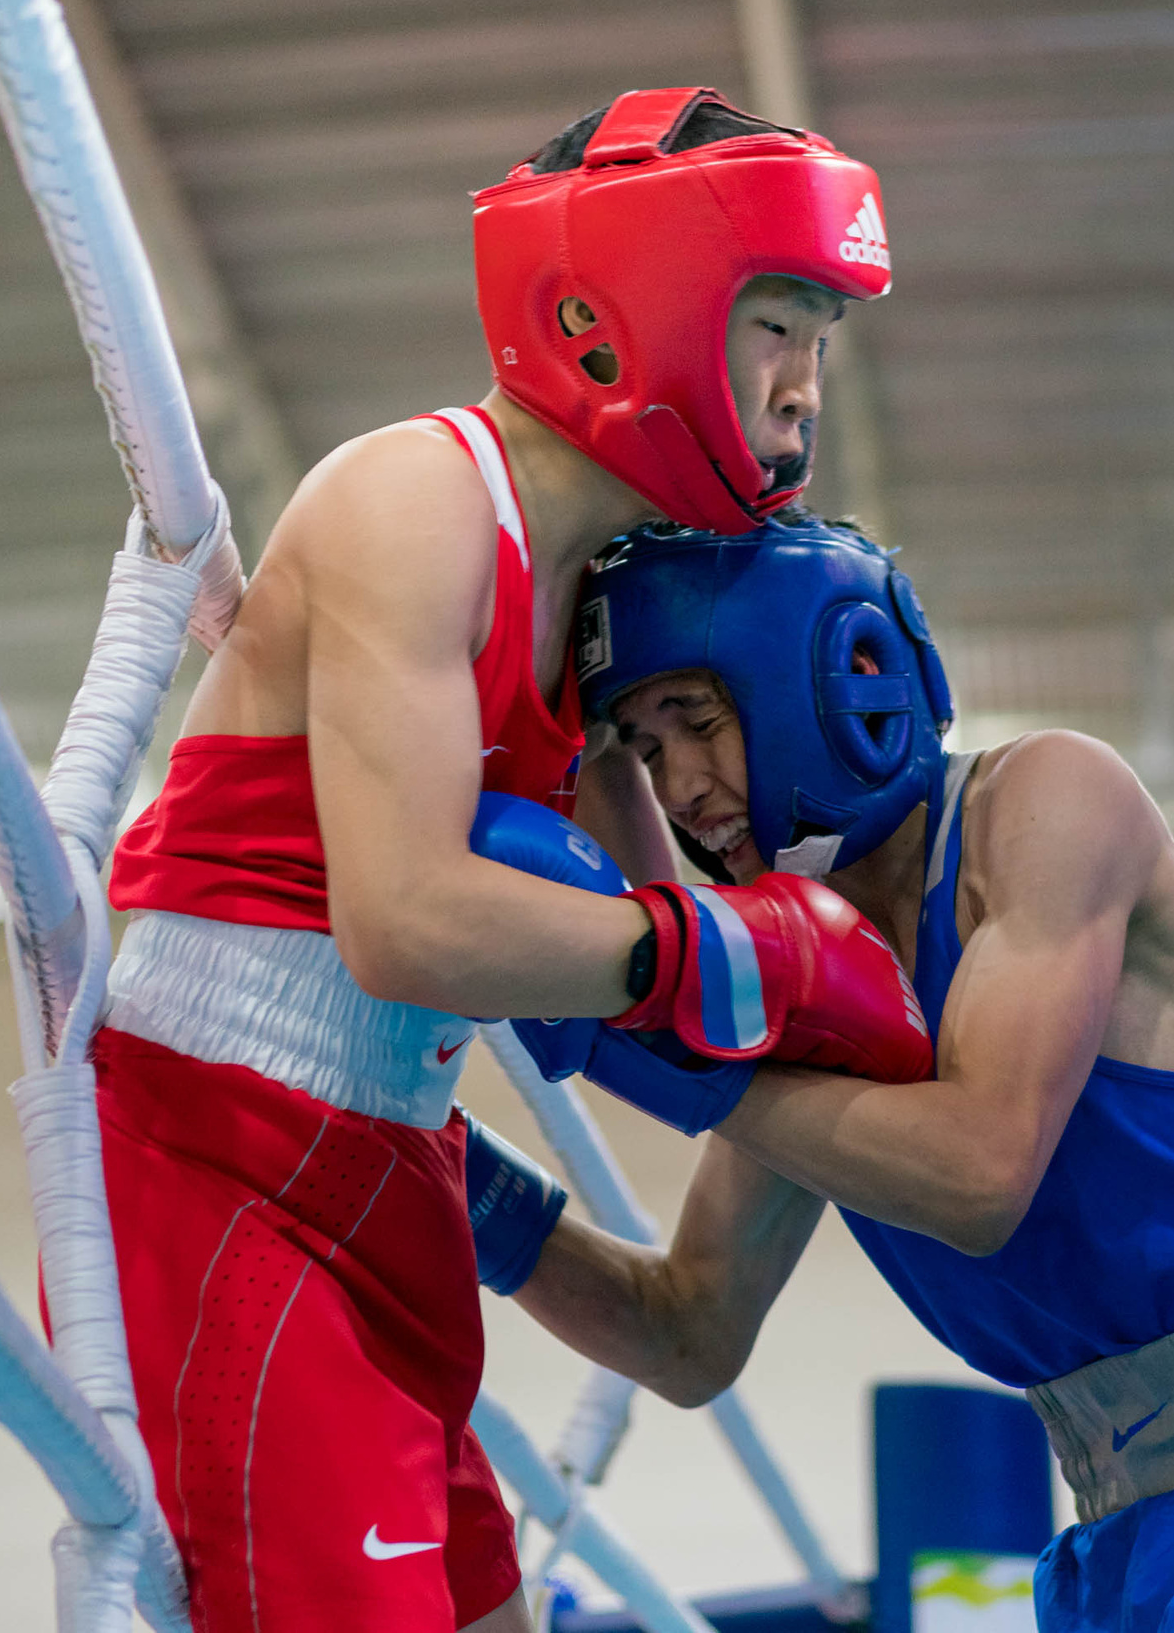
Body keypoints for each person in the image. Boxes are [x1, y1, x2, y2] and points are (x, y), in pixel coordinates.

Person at [92, 91, 931, 1633]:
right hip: (222, 1152)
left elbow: (663, 994)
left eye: (820, 340)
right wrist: (725, 949)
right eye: (776, 326)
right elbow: (411, 919)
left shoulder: (599, 602)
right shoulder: (414, 497)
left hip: (392, 1154)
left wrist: (782, 967)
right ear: (623, 304)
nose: (805, 389)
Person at [468, 520, 1174, 1630]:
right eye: (644, 753)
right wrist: (456, 1182)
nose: (683, 787)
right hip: (1122, 1549)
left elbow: (981, 1171)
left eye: (697, 722)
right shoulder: (795, 994)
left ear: (829, 672)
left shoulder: (1043, 802)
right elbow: (685, 1332)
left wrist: (643, 1029)